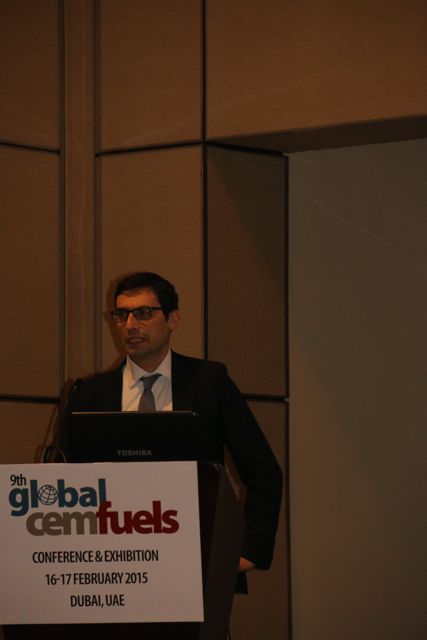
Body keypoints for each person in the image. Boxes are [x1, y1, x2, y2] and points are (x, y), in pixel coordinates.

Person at [59, 272, 282, 578]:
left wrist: (249, 550)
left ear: (173, 319)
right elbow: (63, 480)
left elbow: (264, 471)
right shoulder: (88, 394)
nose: (130, 325)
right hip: (110, 563)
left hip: (195, 559)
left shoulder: (209, 383)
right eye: (122, 315)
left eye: (144, 313)